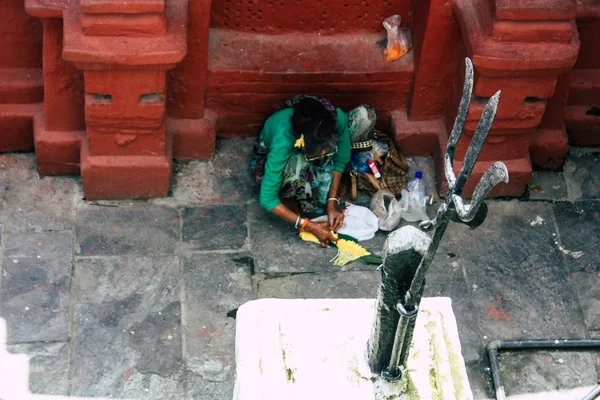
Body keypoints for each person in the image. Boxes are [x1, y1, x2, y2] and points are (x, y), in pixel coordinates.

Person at [251, 95, 376, 246]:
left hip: (313, 147)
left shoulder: (336, 120)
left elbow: (341, 158)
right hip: (287, 157)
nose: (322, 155)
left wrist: (332, 202)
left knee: (365, 116)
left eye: (327, 150)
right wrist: (308, 225)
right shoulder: (283, 141)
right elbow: (267, 199)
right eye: (315, 154)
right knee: (298, 174)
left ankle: (320, 178)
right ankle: (292, 196)